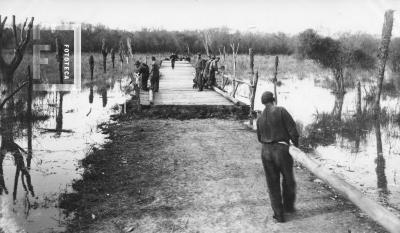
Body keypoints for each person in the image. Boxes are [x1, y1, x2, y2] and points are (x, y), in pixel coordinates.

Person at [256, 91, 299, 223]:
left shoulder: (260, 118)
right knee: (288, 180)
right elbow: (293, 131)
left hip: (266, 152)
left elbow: (259, 138)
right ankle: (288, 207)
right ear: (273, 100)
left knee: (272, 184)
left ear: (263, 103)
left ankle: (279, 215)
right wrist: (295, 147)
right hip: (281, 150)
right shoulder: (281, 111)